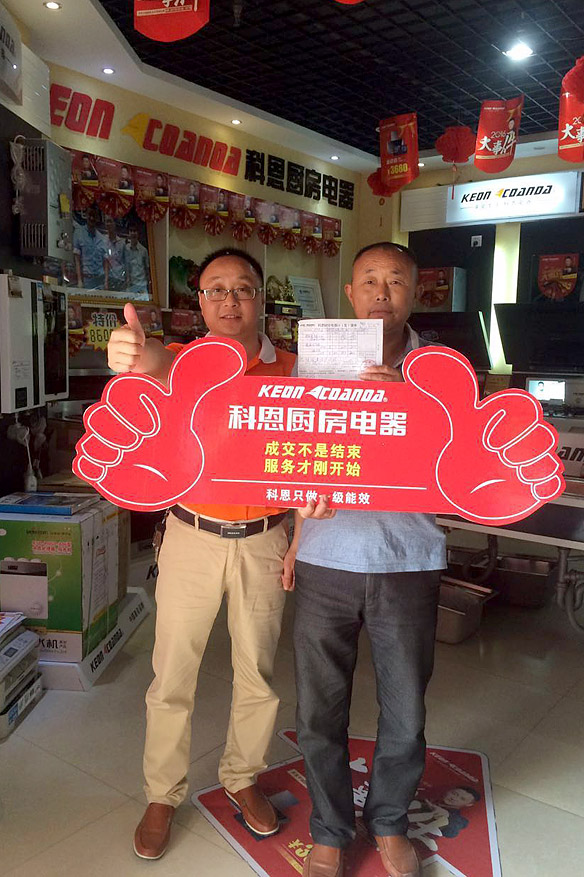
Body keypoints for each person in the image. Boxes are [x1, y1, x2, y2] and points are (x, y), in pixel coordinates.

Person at [106, 247, 297, 861]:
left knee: (258, 675)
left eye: (242, 288)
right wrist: (132, 355)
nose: (230, 300)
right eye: (217, 289)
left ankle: (242, 777)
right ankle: (162, 794)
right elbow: (150, 363)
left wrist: (298, 541)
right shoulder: (183, 361)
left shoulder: (295, 370)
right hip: (190, 535)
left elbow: (316, 456)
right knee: (172, 675)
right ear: (201, 302)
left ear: (262, 298)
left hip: (266, 539)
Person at [283, 242, 447, 877]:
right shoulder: (316, 363)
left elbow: (459, 460)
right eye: (370, 281)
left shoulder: (442, 369)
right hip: (326, 559)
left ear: (415, 293)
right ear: (350, 294)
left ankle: (389, 822)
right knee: (318, 709)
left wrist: (412, 398)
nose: (382, 292)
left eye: (396, 281)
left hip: (408, 558)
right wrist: (297, 537)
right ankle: (330, 828)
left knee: (406, 709)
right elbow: (295, 453)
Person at [73, 205, 106, 289]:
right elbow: (77, 259)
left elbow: (105, 261)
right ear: (86, 215)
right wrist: (79, 280)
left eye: (94, 216)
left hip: (100, 281)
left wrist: (106, 281)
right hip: (86, 280)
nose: (92, 218)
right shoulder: (79, 233)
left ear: (97, 218)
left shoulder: (102, 238)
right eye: (90, 215)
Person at [124, 225, 151, 297]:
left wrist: (149, 285)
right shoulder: (126, 248)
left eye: (135, 231)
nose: (133, 233)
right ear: (129, 233)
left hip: (142, 284)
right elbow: (126, 267)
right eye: (131, 231)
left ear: (138, 233)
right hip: (131, 285)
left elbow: (147, 269)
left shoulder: (144, 250)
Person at [103, 216, 127, 291]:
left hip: (120, 279)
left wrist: (127, 280)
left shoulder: (122, 243)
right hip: (109, 280)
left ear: (115, 224)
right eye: (107, 222)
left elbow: (126, 263)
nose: (108, 224)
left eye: (110, 221)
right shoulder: (103, 241)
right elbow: (105, 262)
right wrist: (106, 281)